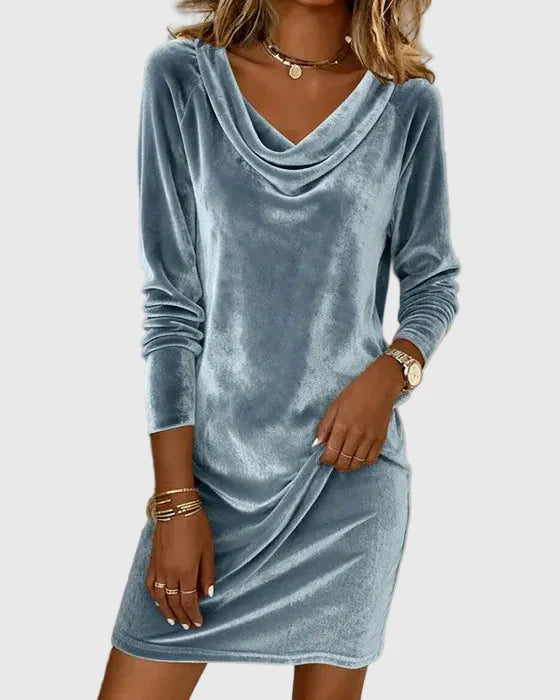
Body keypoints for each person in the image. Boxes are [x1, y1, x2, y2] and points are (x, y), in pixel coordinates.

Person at [99, 0, 460, 697]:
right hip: (208, 485)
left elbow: (433, 281)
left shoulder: (405, 104)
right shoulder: (182, 80)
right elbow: (171, 304)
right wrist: (175, 500)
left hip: (347, 479)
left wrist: (391, 373)